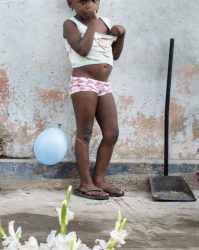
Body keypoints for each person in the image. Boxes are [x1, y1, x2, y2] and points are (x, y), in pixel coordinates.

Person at [63, 0, 126, 200]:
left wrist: (121, 36)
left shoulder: (105, 23)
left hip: (103, 84)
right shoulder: (70, 24)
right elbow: (83, 50)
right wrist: (91, 22)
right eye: (83, 1)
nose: (89, 4)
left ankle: (99, 180)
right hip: (84, 82)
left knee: (111, 133)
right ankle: (85, 183)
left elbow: (113, 56)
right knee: (85, 132)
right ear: (70, 3)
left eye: (94, 0)